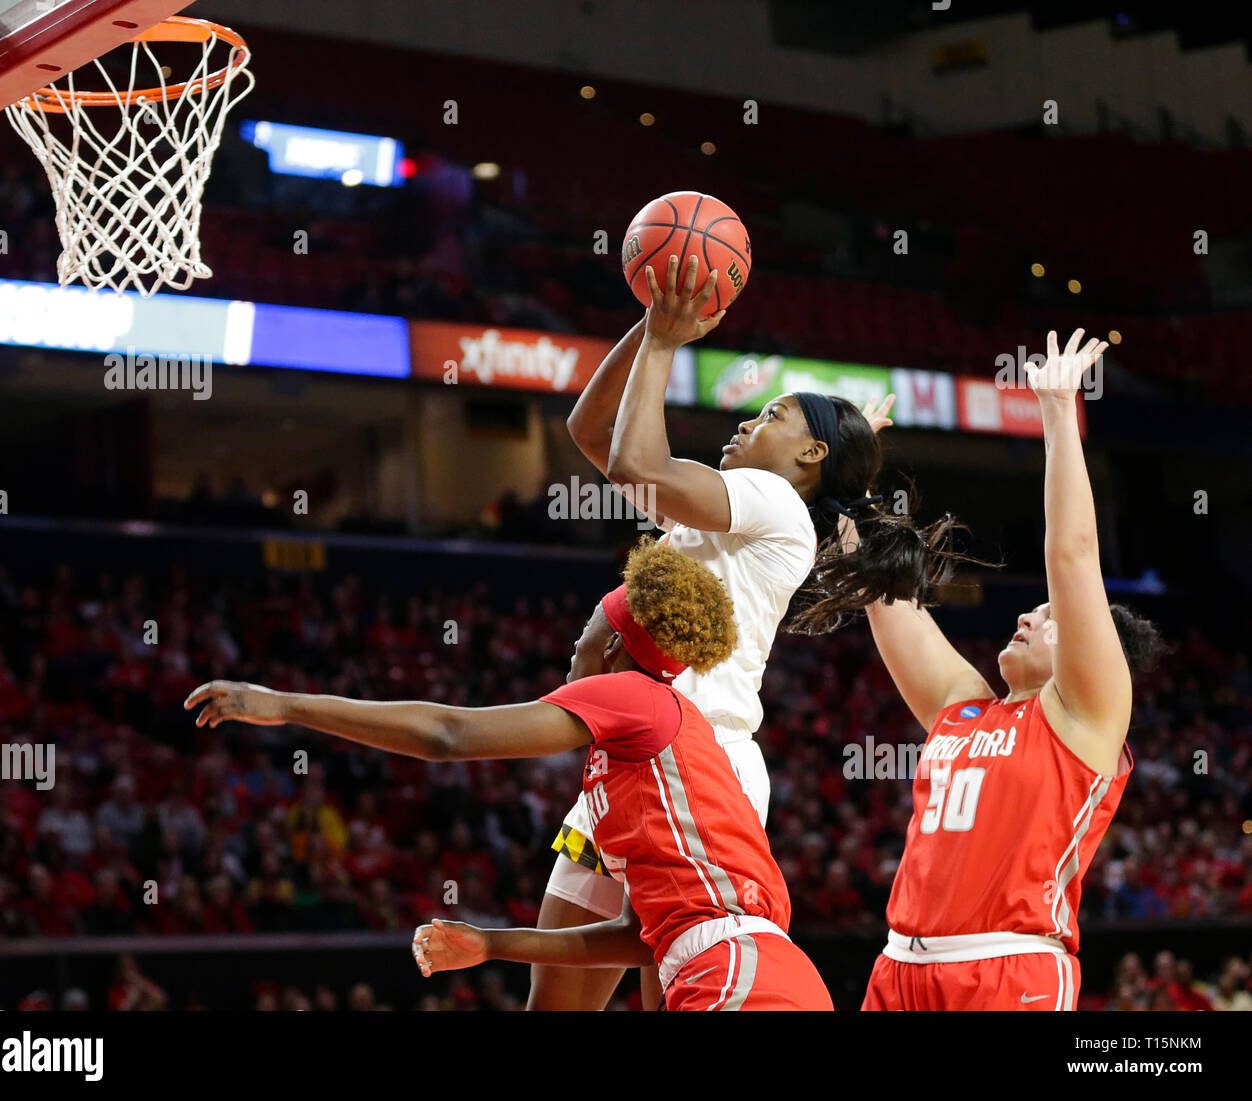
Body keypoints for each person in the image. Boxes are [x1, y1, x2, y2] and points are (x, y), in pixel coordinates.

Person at [537, 252, 961, 1009]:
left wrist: (666, 341)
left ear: (810, 454)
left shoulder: (771, 504)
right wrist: (648, 326)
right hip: (640, 749)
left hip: (699, 764)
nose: (746, 418)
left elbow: (636, 457)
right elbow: (591, 429)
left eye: (772, 415)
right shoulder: (731, 510)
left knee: (670, 995)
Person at [184, 539, 831, 1011]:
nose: (573, 643)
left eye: (587, 626)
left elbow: (449, 734)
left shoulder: (633, 695)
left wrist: (284, 704)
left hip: (737, 972)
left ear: (610, 646)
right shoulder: (644, 746)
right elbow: (639, 935)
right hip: (743, 967)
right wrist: (491, 944)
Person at [856, 330, 1165, 1011]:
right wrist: (851, 480)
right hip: (898, 968)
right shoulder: (965, 704)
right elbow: (882, 592)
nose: (1025, 619)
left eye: (1046, 616)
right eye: (1027, 611)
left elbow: (1074, 556)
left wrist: (1056, 408)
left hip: (1007, 970)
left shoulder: (1088, 711)